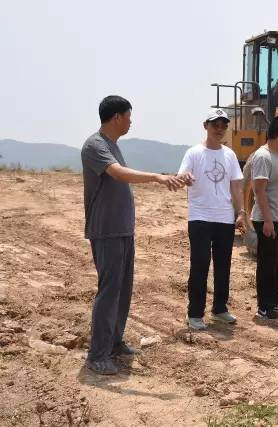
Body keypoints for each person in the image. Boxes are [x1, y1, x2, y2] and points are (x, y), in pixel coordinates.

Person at [81, 95, 185, 375]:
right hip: (107, 230)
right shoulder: (95, 145)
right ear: (117, 117)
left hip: (123, 230)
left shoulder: (113, 145)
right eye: (129, 115)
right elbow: (118, 173)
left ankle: (114, 343)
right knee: (109, 291)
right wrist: (157, 177)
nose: (131, 121)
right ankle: (97, 355)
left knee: (123, 290)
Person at [177, 108, 245, 330]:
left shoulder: (230, 155)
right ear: (205, 126)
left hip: (224, 218)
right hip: (200, 217)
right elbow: (182, 175)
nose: (220, 129)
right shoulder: (193, 153)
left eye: (224, 125)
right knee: (200, 264)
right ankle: (195, 313)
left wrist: (241, 212)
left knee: (223, 265)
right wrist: (185, 177)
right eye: (215, 124)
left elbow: (236, 184)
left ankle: (220, 309)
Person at [250, 117, 278, 319]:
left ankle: (274, 298)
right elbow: (259, 191)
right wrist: (268, 221)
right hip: (268, 219)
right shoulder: (263, 157)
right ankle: (264, 306)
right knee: (268, 263)